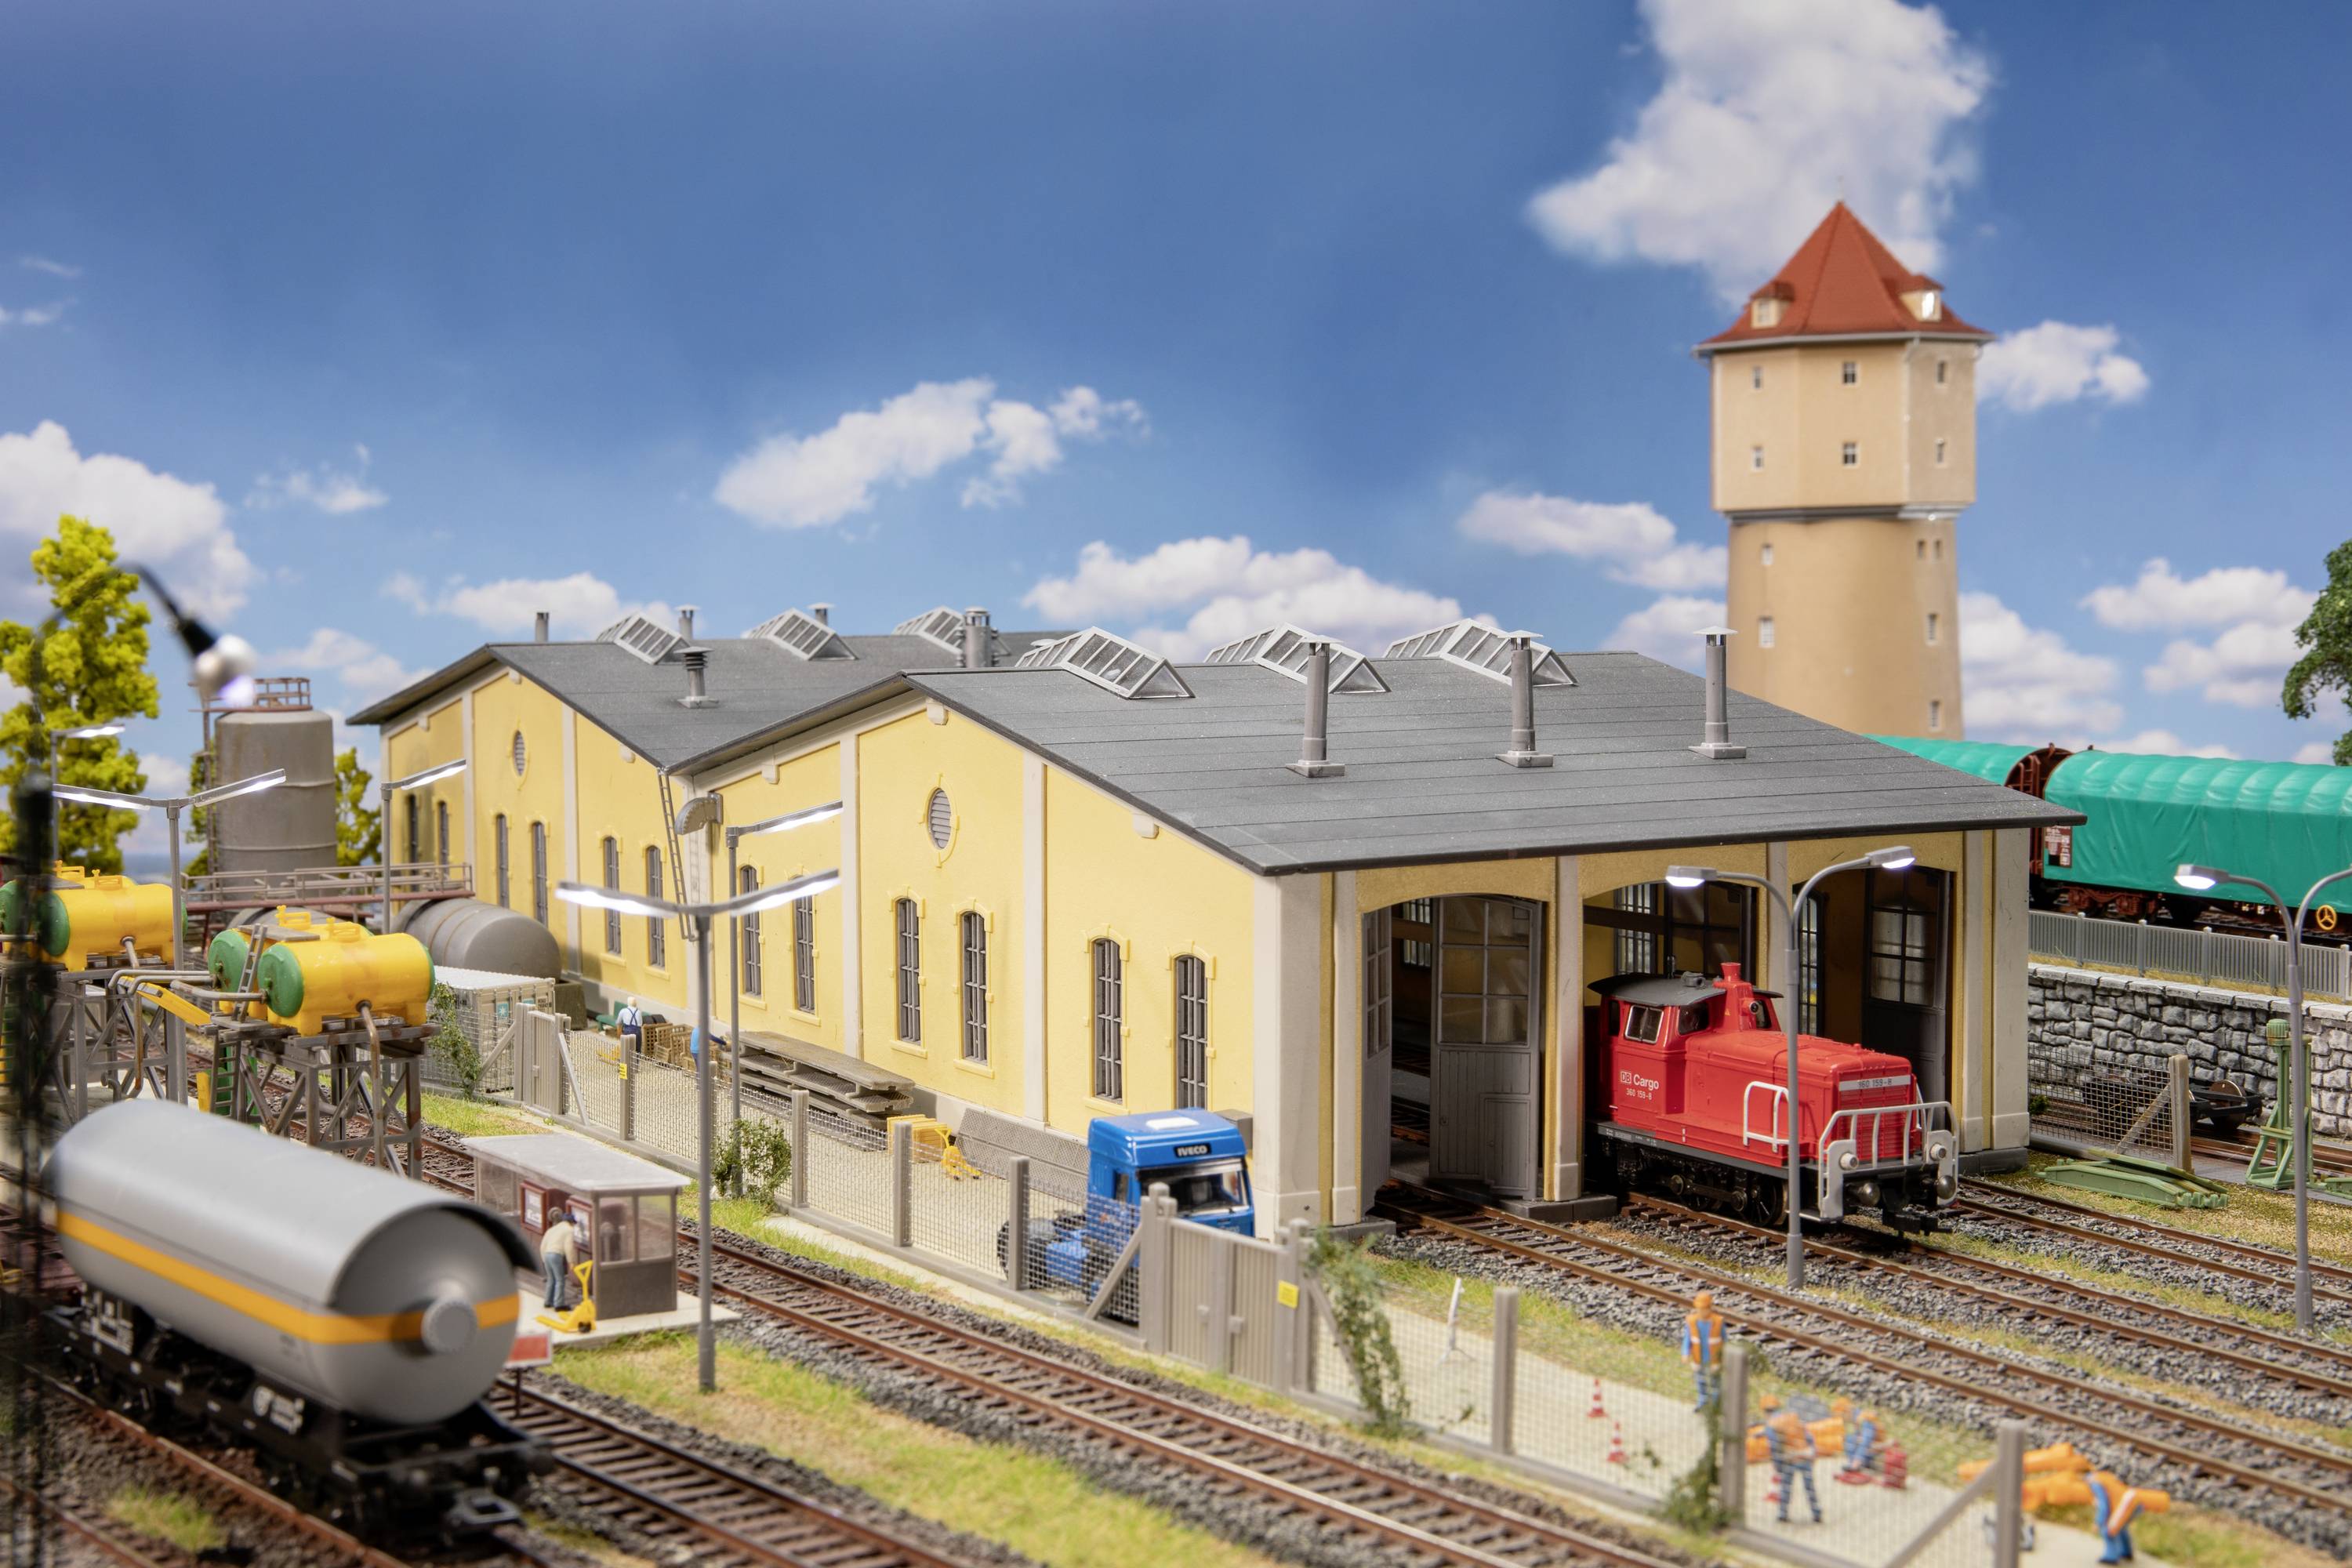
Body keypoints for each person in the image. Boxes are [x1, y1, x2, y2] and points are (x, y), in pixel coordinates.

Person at [1761, 1395, 1822, 1525]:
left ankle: (1783, 1514)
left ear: (1765, 1411)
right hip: (1805, 1456)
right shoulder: (1792, 1417)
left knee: (1786, 1487)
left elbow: (1774, 1444)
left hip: (1790, 1459)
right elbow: (1808, 1436)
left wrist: (1777, 1465)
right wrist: (1812, 1453)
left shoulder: (1772, 1424)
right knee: (1809, 1487)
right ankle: (1817, 1513)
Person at [1682, 1289, 1726, 1410]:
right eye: (1700, 1309)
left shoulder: (1718, 1321)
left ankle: (1716, 1404)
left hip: (1714, 1358)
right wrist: (1685, 1353)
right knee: (1701, 1381)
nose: (1702, 1311)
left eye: (1704, 1308)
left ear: (1709, 1308)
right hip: (1698, 1357)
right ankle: (1703, 1402)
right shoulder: (1692, 1321)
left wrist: (1723, 1357)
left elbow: (1724, 1340)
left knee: (1715, 1382)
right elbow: (1687, 1339)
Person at [541, 1192, 579, 1311]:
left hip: (547, 1254)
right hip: (556, 1255)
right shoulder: (569, 1230)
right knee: (560, 1280)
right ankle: (559, 1304)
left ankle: (548, 1301)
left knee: (551, 1279)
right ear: (571, 1222)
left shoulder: (552, 1229)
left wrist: (544, 1259)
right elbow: (568, 1247)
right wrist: (571, 1262)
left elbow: (543, 1245)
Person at [1839, 1408, 1880, 1481]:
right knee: (1848, 1438)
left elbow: (1870, 1442)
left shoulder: (1869, 1423)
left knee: (1865, 1438)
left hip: (1869, 1454)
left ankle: (1856, 1464)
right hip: (1861, 1455)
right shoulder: (1856, 1422)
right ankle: (1855, 1464)